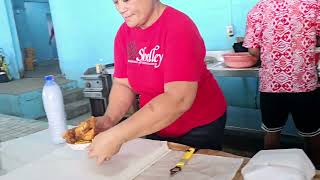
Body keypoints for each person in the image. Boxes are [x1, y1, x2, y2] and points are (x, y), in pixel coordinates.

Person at [88, 0, 227, 165]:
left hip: (197, 126)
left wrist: (117, 135)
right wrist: (109, 119)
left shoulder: (178, 27)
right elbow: (124, 84)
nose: (120, 8)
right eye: (115, 2)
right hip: (154, 123)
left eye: (125, 0)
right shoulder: (127, 34)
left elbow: (178, 99)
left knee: (192, 171)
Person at [243, 0, 320, 167]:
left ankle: (271, 172)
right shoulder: (313, 5)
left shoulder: (258, 9)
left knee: (272, 134)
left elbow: (253, 51)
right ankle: (315, 171)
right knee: (312, 135)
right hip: (304, 82)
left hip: (272, 84)